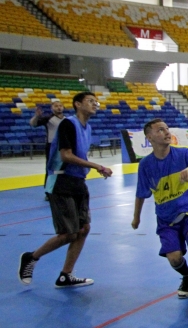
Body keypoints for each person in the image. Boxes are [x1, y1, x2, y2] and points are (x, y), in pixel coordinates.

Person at [18, 91, 113, 288]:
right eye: (90, 101)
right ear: (77, 104)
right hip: (61, 181)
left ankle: (66, 275)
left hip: (78, 181)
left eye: (96, 101)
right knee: (68, 234)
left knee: (84, 229)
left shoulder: (87, 127)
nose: (95, 104)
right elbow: (66, 155)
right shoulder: (68, 124)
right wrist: (97, 166)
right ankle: (31, 257)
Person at [132, 118, 188, 314]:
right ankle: (187, 275)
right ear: (149, 137)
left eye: (167, 129)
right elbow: (141, 193)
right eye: (160, 130)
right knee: (174, 258)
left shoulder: (182, 154)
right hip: (166, 218)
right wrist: (136, 218)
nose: (166, 132)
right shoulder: (146, 165)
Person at [30, 100, 66, 200]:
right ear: (52, 108)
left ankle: (61, 189)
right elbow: (33, 124)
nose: (59, 107)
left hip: (64, 146)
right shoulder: (48, 118)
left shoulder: (67, 119)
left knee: (63, 168)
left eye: (60, 106)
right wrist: (37, 116)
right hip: (52, 146)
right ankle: (48, 192)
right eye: (56, 106)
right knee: (50, 168)